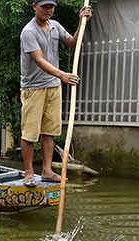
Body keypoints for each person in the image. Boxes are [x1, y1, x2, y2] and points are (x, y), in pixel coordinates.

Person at [20, 0, 92, 187]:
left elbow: (73, 43)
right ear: (34, 6)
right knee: (30, 133)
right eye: (44, 7)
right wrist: (63, 75)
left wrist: (82, 22)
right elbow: (38, 60)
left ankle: (47, 170)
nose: (48, 10)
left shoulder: (55, 26)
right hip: (33, 88)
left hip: (53, 87)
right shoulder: (29, 32)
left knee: (50, 131)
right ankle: (29, 173)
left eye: (51, 7)